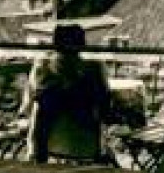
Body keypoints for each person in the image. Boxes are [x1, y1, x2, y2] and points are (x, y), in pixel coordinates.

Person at [26, 23, 112, 164]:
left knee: (39, 106)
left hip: (48, 144)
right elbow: (105, 107)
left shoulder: (42, 70)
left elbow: (31, 104)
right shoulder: (94, 69)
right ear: (82, 43)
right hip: (87, 143)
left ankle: (34, 153)